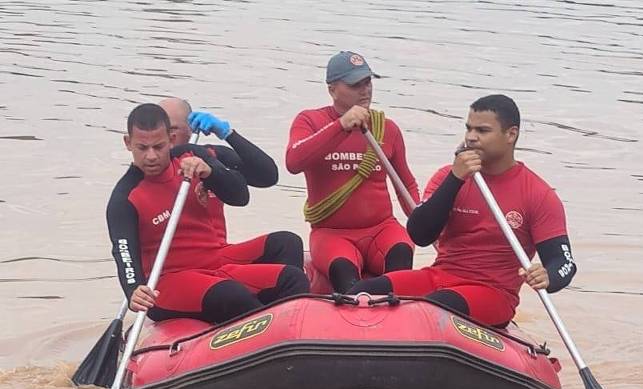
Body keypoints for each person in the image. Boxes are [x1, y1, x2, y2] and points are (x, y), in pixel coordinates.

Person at [349, 94, 577, 327]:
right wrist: (456, 179)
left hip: (493, 292)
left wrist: (547, 276)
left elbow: (564, 262)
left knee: (430, 309)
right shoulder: (448, 177)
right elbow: (420, 234)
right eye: (468, 129)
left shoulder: (538, 194)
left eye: (482, 130)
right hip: (440, 276)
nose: (471, 137)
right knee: (361, 292)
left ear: (511, 134)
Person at [108, 103, 309, 324]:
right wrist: (133, 290)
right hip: (168, 282)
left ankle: (292, 333)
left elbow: (240, 197)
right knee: (233, 295)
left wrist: (211, 173)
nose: (151, 156)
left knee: (292, 278)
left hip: (213, 262)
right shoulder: (125, 197)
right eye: (142, 148)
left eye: (158, 146)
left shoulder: (191, 156)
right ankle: (271, 333)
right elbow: (123, 253)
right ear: (128, 143)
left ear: (171, 139)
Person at [285, 51, 420, 293]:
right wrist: (341, 126)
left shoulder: (386, 129)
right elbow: (293, 162)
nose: (365, 90)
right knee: (344, 274)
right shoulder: (310, 121)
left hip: (381, 229)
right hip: (333, 234)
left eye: (368, 82)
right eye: (355, 84)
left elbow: (405, 184)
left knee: (401, 251)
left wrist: (424, 223)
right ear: (332, 89)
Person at [159, 97, 304, 270]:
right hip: (181, 261)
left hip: (220, 254)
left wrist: (227, 134)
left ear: (190, 130)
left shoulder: (211, 155)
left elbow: (268, 176)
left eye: (174, 129)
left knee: (287, 244)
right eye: (161, 130)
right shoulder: (150, 170)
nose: (169, 137)